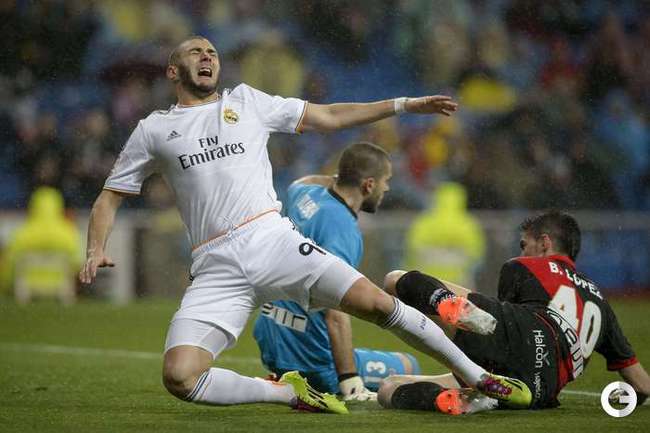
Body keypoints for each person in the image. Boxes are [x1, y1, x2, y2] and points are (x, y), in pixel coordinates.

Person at [79, 35, 531, 414]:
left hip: (270, 239)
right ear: (172, 71)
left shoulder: (246, 102)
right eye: (195, 51)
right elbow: (110, 195)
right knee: (180, 377)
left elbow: (329, 116)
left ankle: (479, 377)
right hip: (215, 265)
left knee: (377, 304)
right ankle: (286, 392)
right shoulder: (155, 130)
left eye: (212, 52)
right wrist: (96, 248)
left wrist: (403, 105)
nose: (207, 56)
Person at [378, 211, 650, 415]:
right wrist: (619, 399)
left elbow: (496, 343)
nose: (522, 250)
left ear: (544, 243)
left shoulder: (524, 266)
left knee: (395, 280)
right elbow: (642, 385)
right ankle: (478, 396)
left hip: (521, 336)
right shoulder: (601, 303)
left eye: (524, 244)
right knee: (389, 386)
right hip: (540, 390)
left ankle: (447, 302)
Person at [254, 142, 420, 401]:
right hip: (312, 358)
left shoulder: (305, 195)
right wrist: (348, 379)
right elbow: (336, 310)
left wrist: (341, 177)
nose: (387, 188)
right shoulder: (343, 231)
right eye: (385, 180)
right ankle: (324, 379)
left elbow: (301, 181)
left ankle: (284, 376)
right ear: (369, 185)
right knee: (409, 365)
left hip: (271, 335)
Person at [1, 186, 82, 303]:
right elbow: (76, 264)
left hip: (26, 287)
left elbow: (10, 264)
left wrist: (5, 287)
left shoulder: (21, 233)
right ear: (59, 207)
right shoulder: (69, 233)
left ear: (33, 207)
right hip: (60, 285)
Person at [403, 182, 486, 289]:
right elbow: (476, 253)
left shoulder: (424, 222)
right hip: (459, 282)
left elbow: (413, 249)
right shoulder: (468, 224)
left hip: (426, 281)